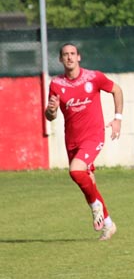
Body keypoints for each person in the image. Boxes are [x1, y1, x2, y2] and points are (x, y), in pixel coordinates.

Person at [45, 42, 123, 241]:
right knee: (88, 180)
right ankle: (108, 224)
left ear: (79, 57)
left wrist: (117, 119)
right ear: (60, 59)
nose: (69, 57)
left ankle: (95, 206)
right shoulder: (56, 84)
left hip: (93, 136)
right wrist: (52, 110)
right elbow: (50, 116)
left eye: (73, 54)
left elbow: (117, 90)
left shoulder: (94, 77)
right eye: (65, 54)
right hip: (72, 140)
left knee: (75, 171)